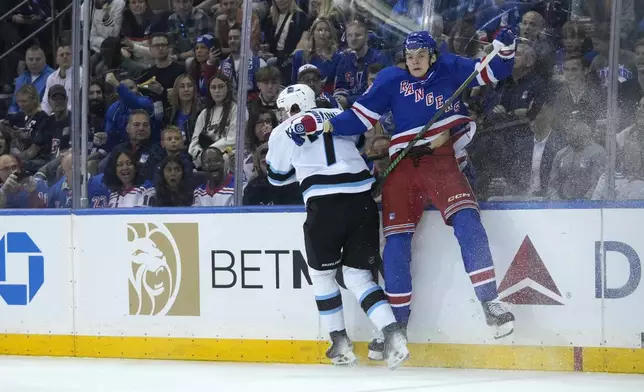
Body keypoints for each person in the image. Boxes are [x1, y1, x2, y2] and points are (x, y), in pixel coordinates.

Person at [317, 30, 519, 347]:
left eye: (421, 56)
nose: (414, 62)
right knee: (396, 243)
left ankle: (490, 303)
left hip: (441, 161)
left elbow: (490, 71)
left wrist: (505, 50)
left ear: (432, 55)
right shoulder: (390, 80)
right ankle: (397, 329)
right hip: (402, 164)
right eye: (410, 56)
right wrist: (328, 124)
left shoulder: (451, 67)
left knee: (468, 221)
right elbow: (360, 117)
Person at [266, 84, 409, 369]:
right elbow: (356, 145)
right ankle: (395, 337)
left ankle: (341, 345)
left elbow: (276, 177)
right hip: (362, 202)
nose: (283, 115)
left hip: (324, 206)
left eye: (285, 109)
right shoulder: (340, 113)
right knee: (359, 278)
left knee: (322, 277)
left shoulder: (283, 130)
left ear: (294, 106)